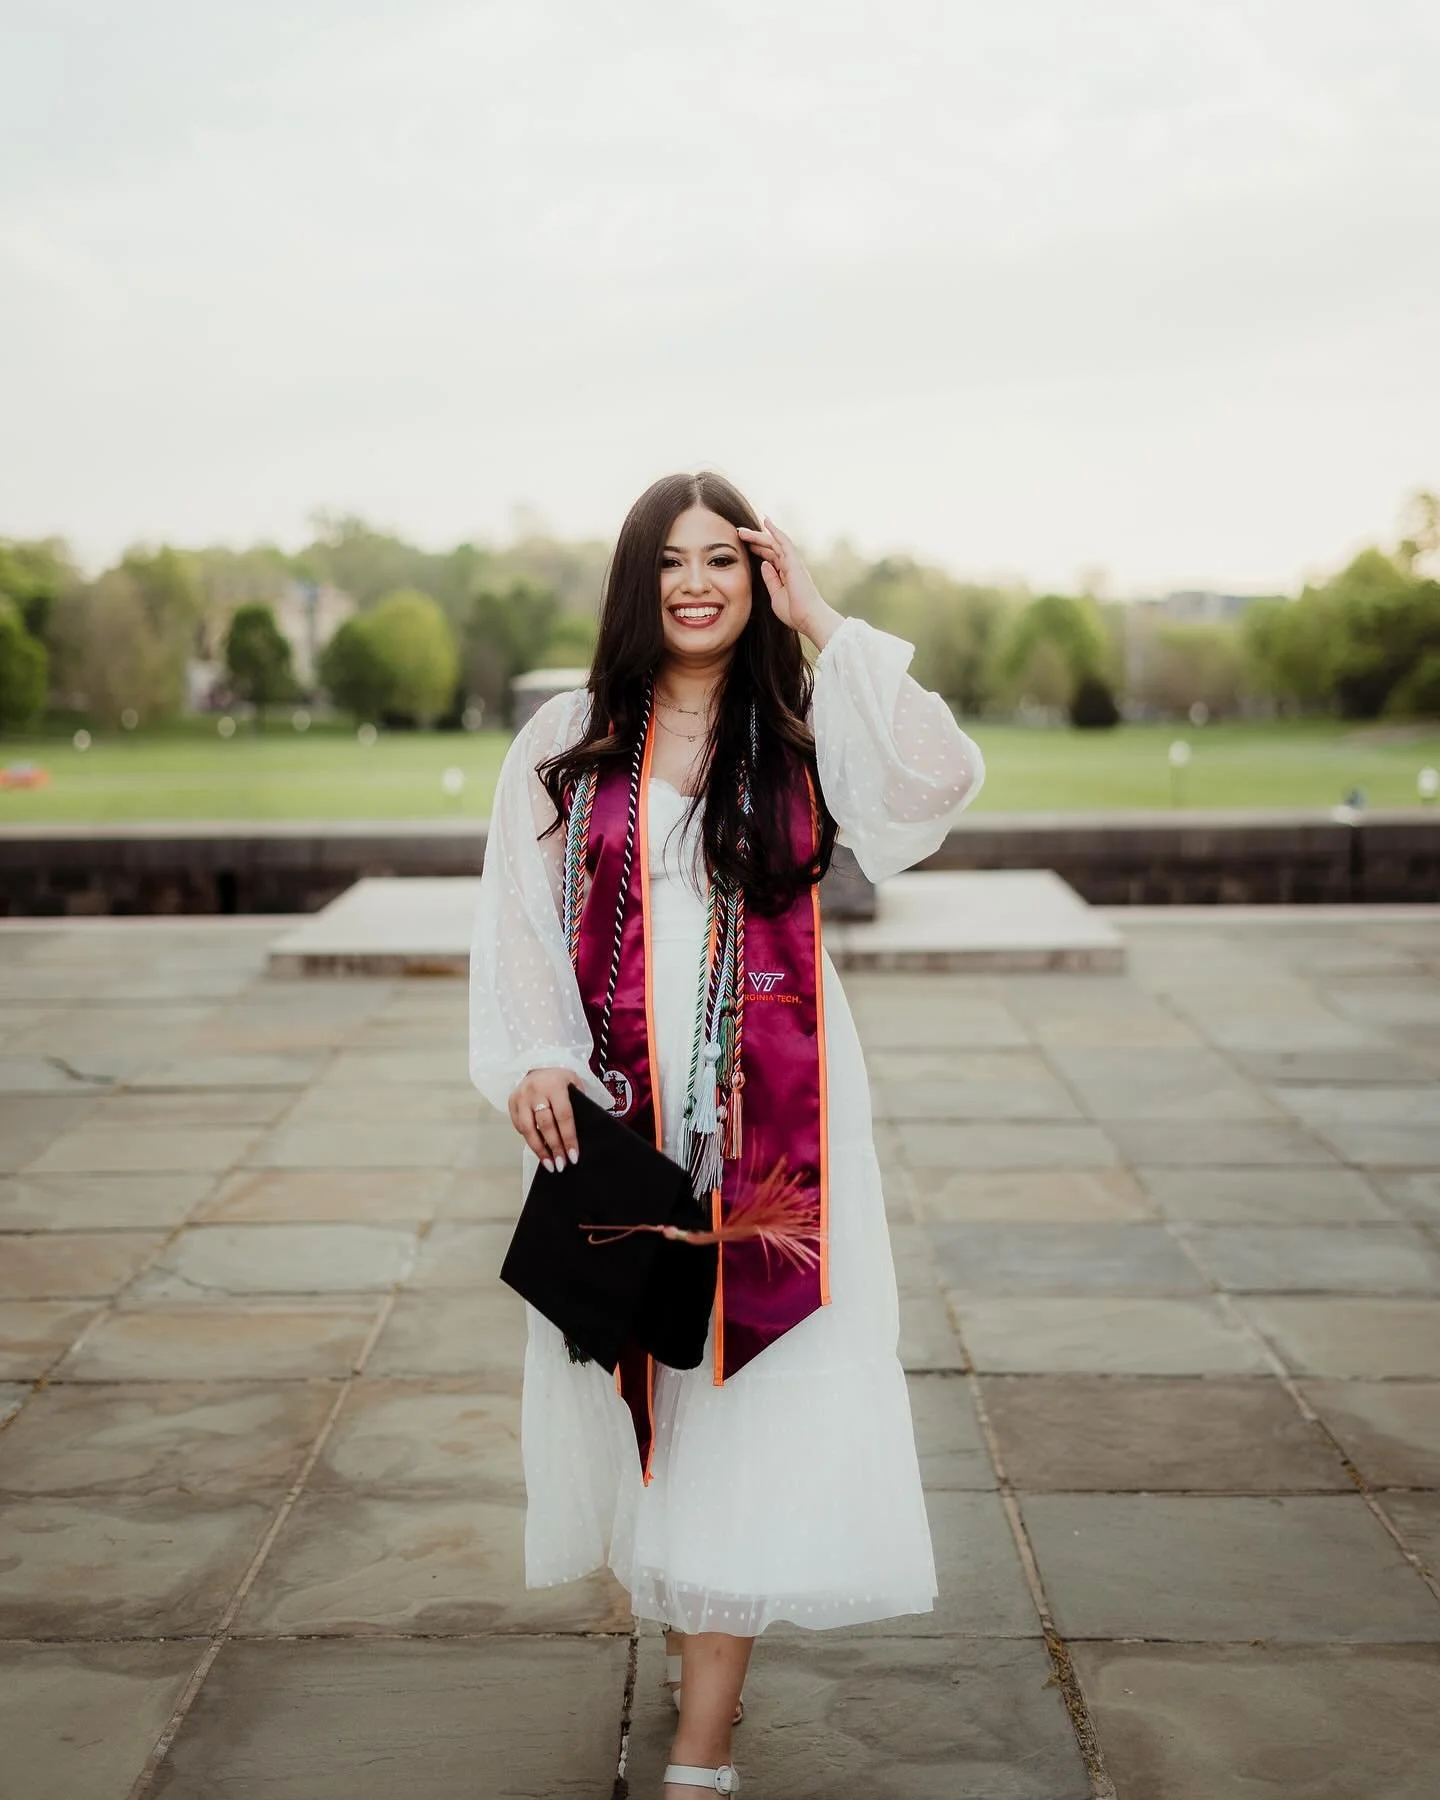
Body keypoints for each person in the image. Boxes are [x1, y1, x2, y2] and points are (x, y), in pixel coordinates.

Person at [468, 470, 985, 1797]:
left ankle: (705, 1734)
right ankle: (695, 1649)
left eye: (726, 560)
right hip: (626, 1111)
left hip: (783, 1112)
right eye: (671, 561)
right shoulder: (569, 738)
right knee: (652, 1384)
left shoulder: (801, 729)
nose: (697, 583)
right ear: (636, 583)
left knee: (751, 1395)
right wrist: (535, 1053)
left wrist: (827, 621)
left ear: (756, 580)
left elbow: (938, 780)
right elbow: (520, 915)